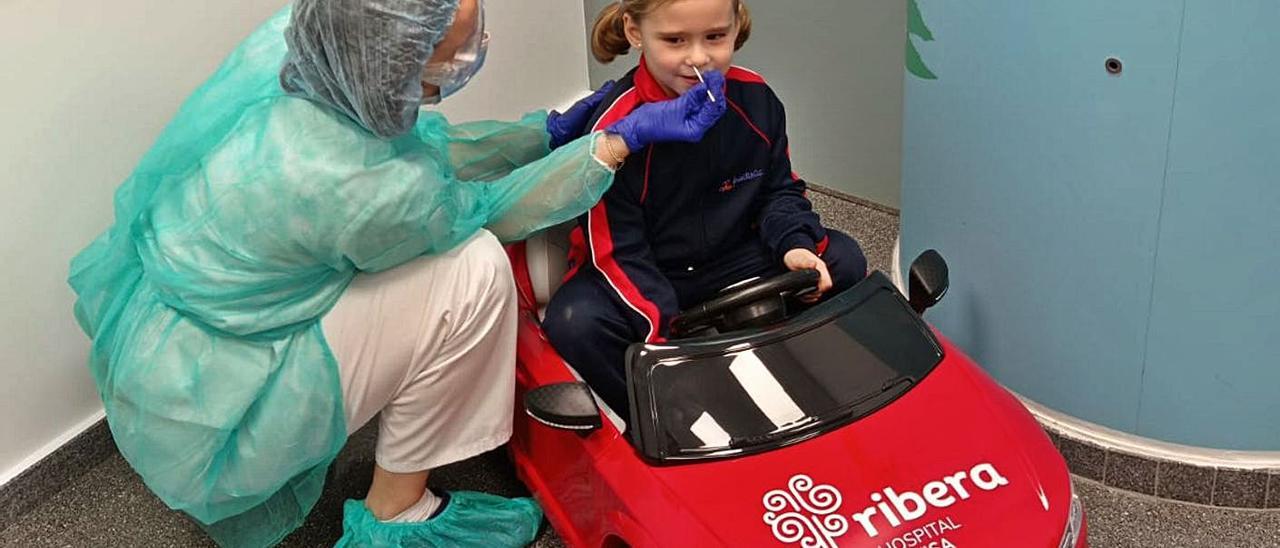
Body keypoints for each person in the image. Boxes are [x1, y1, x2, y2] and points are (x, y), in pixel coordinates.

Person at [66, 0, 726, 545]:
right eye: (461, 48)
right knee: (473, 271)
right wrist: (611, 143)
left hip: (168, 351)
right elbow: (479, 213)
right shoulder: (353, 187)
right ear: (393, 64)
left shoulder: (305, 51)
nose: (476, 53)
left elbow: (420, 152)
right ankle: (397, 515)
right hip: (223, 413)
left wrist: (542, 132)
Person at [543, 0, 869, 420]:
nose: (698, 57)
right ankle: (665, 419)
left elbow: (780, 191)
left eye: (715, 37)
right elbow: (616, 252)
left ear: (736, 28)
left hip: (733, 257)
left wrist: (794, 245)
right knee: (575, 321)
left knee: (843, 258)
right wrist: (666, 335)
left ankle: (799, 379)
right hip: (649, 273)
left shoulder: (758, 100)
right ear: (635, 32)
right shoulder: (613, 130)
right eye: (674, 40)